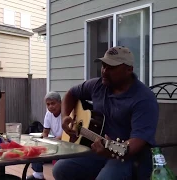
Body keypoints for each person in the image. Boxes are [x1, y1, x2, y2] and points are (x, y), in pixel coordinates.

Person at [53, 46, 159, 180]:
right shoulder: (98, 85)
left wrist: (109, 151)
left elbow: (137, 142)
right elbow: (71, 94)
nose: (104, 71)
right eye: (103, 66)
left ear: (129, 70)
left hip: (127, 157)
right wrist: (65, 117)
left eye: (111, 67)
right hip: (97, 150)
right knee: (61, 169)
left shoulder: (144, 99)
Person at [27, 91, 63, 180]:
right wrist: (44, 140)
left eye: (53, 103)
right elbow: (45, 131)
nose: (50, 106)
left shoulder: (66, 112)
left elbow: (66, 133)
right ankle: (38, 175)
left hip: (66, 142)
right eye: (48, 104)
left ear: (60, 102)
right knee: (35, 147)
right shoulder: (48, 114)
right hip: (55, 142)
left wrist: (53, 141)